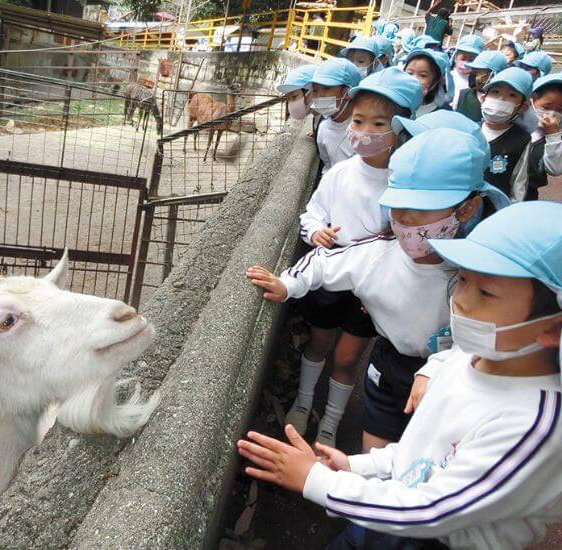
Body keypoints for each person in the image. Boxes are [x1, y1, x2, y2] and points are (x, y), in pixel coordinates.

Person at [238, 201, 562, 550]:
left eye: (486, 292)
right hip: (393, 511)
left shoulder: (534, 424)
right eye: (463, 280)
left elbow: (434, 510)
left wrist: (315, 481)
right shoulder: (466, 357)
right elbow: (422, 452)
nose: (461, 300)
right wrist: (357, 466)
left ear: (553, 328)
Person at [251, 128, 508, 453]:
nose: (405, 222)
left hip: (454, 374)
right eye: (398, 211)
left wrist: (438, 368)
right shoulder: (378, 252)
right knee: (376, 450)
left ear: (467, 209)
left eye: (421, 212)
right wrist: (287, 284)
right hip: (389, 362)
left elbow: (491, 337)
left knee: (430, 454)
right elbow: (323, 263)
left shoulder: (478, 273)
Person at [289, 68, 422, 448]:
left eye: (378, 123)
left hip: (371, 288)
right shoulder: (340, 174)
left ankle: (330, 423)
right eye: (359, 119)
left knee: (347, 358)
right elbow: (312, 213)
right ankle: (302, 402)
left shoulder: (405, 182)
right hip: (331, 275)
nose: (364, 130)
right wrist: (316, 232)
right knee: (319, 342)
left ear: (401, 128)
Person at [479, 67, 533, 200]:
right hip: (462, 206)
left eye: (512, 95)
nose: (501, 98)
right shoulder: (469, 129)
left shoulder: (521, 139)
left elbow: (519, 181)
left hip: (495, 206)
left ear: (522, 107)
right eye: (495, 92)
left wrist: (512, 211)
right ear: (483, 98)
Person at [306, 58, 361, 173]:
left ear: (347, 92)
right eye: (315, 90)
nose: (319, 95)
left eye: (327, 88)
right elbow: (328, 165)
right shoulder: (323, 128)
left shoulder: (365, 130)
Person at [527, 73, 562, 200]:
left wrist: (553, 135)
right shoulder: (518, 124)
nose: (552, 113)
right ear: (532, 100)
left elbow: (555, 169)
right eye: (546, 107)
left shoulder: (557, 135)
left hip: (529, 193)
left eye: (560, 110)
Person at [455, 50, 507, 123]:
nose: (473, 74)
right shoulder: (463, 95)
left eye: (478, 72)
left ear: (493, 75)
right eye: (473, 71)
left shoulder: (505, 103)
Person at [404, 48, 453, 117]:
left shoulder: (443, 114)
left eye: (422, 75)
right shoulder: (394, 105)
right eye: (409, 73)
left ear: (435, 81)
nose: (413, 79)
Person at [514, 51, 553, 132]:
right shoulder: (514, 86)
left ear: (541, 73)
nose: (522, 70)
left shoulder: (541, 96)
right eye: (521, 66)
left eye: (528, 67)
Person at [448, 34, 484, 109]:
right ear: (455, 56)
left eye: (471, 60)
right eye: (463, 58)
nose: (466, 63)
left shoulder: (479, 84)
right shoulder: (447, 76)